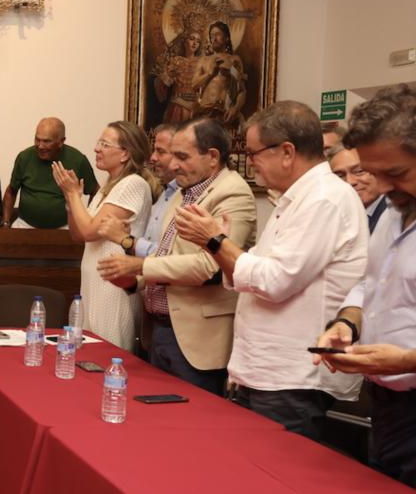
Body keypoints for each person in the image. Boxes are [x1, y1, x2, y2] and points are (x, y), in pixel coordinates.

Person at [173, 101, 365, 440]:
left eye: (254, 152)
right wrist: (217, 246)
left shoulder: (324, 199)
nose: (250, 163)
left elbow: (275, 282)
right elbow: (253, 274)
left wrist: (216, 241)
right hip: (264, 370)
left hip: (291, 376)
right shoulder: (294, 199)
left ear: (287, 151)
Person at [96, 118, 257, 396]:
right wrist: (134, 282)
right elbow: (168, 254)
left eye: (182, 157)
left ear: (213, 157)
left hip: (197, 338)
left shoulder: (232, 192)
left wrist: (141, 265)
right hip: (159, 329)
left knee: (191, 428)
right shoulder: (184, 193)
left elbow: (210, 266)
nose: (172, 165)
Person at [314, 83, 416, 486]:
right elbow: (368, 282)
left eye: (395, 173)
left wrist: (407, 361)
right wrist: (348, 323)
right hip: (388, 404)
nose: (383, 187)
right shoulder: (395, 209)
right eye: (375, 172)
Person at [54, 121, 157, 351]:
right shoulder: (108, 186)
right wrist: (72, 202)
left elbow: (91, 230)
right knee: (89, 355)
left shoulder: (133, 184)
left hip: (114, 288)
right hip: (94, 284)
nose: (96, 148)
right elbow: (79, 235)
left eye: (104, 144)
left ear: (125, 154)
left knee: (107, 356)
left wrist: (72, 194)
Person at [99, 124, 181, 259]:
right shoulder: (165, 193)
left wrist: (126, 239)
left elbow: (171, 257)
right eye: (154, 150)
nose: (153, 158)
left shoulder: (188, 195)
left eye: (161, 151)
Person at [3, 117, 98, 229]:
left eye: (46, 141)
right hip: (25, 225)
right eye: (37, 140)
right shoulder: (24, 157)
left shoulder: (78, 160)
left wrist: (88, 222)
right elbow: (11, 191)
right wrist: (6, 223)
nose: (40, 146)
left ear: (61, 141)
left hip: (65, 227)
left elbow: (95, 191)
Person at [330, 146, 390, 232]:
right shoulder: (334, 219)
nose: (350, 182)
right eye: (340, 176)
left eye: (359, 171)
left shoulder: (396, 212)